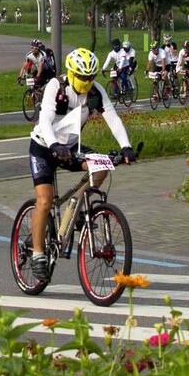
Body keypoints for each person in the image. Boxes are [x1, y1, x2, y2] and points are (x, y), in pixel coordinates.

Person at [26, 48, 137, 283]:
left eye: (91, 77)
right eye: (82, 77)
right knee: (44, 201)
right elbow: (45, 119)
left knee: (103, 166)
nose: (87, 82)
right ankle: (37, 254)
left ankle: (75, 207)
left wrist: (126, 147)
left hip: (71, 148)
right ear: (71, 73)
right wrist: (54, 145)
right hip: (44, 146)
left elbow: (113, 118)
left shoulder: (96, 92)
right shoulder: (56, 87)